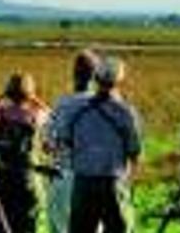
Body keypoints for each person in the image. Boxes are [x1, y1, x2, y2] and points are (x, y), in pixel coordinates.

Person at [57, 57, 142, 233]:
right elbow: (135, 152)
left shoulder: (76, 109)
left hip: (83, 183)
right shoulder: (126, 113)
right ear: (119, 81)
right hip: (112, 183)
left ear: (95, 79)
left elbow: (64, 140)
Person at [0, 73, 50, 233]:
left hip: (4, 176)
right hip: (28, 177)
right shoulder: (34, 116)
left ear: (9, 92)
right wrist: (34, 98)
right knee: (27, 226)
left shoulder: (1, 114)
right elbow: (49, 112)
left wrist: (2, 96)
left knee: (3, 223)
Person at [44, 49, 101, 233]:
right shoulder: (107, 107)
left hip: (62, 180)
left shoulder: (62, 104)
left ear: (74, 74)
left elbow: (47, 146)